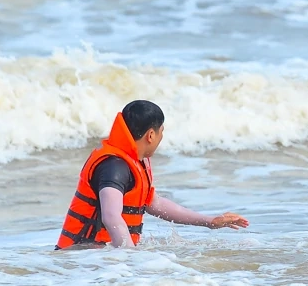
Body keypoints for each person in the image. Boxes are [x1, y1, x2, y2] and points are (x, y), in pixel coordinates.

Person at [56, 100, 248, 249]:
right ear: (150, 135)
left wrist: (209, 221)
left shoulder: (133, 162)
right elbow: (111, 216)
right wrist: (130, 260)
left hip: (101, 259)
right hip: (81, 262)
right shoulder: (113, 166)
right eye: (161, 132)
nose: (161, 137)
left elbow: (154, 204)